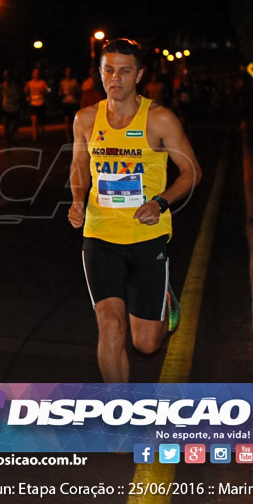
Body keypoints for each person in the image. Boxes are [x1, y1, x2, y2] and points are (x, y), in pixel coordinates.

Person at [68, 38, 201, 383]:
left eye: (124, 71)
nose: (115, 77)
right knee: (111, 325)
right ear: (100, 73)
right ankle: (120, 416)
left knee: (146, 344)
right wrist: (78, 201)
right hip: (100, 235)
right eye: (108, 70)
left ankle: (164, 302)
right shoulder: (85, 119)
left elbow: (192, 172)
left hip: (147, 236)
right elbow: (79, 167)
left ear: (139, 75)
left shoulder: (159, 119)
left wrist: (160, 202)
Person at [0, 69, 22, 144]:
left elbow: (21, 94)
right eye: (4, 75)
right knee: (6, 129)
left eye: (7, 75)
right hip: (5, 109)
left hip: (14, 109)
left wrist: (17, 100)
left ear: (10, 76)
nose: (6, 77)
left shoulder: (15, 85)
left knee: (11, 129)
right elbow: (0, 96)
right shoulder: (2, 85)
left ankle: (10, 139)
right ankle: (8, 143)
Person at [24, 67, 50, 141]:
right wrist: (27, 96)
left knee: (41, 121)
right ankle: (34, 137)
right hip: (33, 103)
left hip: (41, 103)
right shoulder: (29, 83)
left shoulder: (42, 82)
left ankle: (41, 130)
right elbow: (25, 90)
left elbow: (48, 90)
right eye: (35, 72)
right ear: (32, 74)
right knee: (34, 120)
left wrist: (45, 91)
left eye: (37, 73)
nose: (36, 74)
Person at [58, 66, 82, 142]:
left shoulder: (74, 81)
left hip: (73, 102)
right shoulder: (62, 82)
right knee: (66, 120)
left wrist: (74, 91)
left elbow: (79, 90)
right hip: (66, 102)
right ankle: (68, 137)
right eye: (67, 71)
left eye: (69, 71)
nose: (68, 73)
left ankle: (76, 136)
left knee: (74, 121)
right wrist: (61, 93)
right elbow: (60, 91)